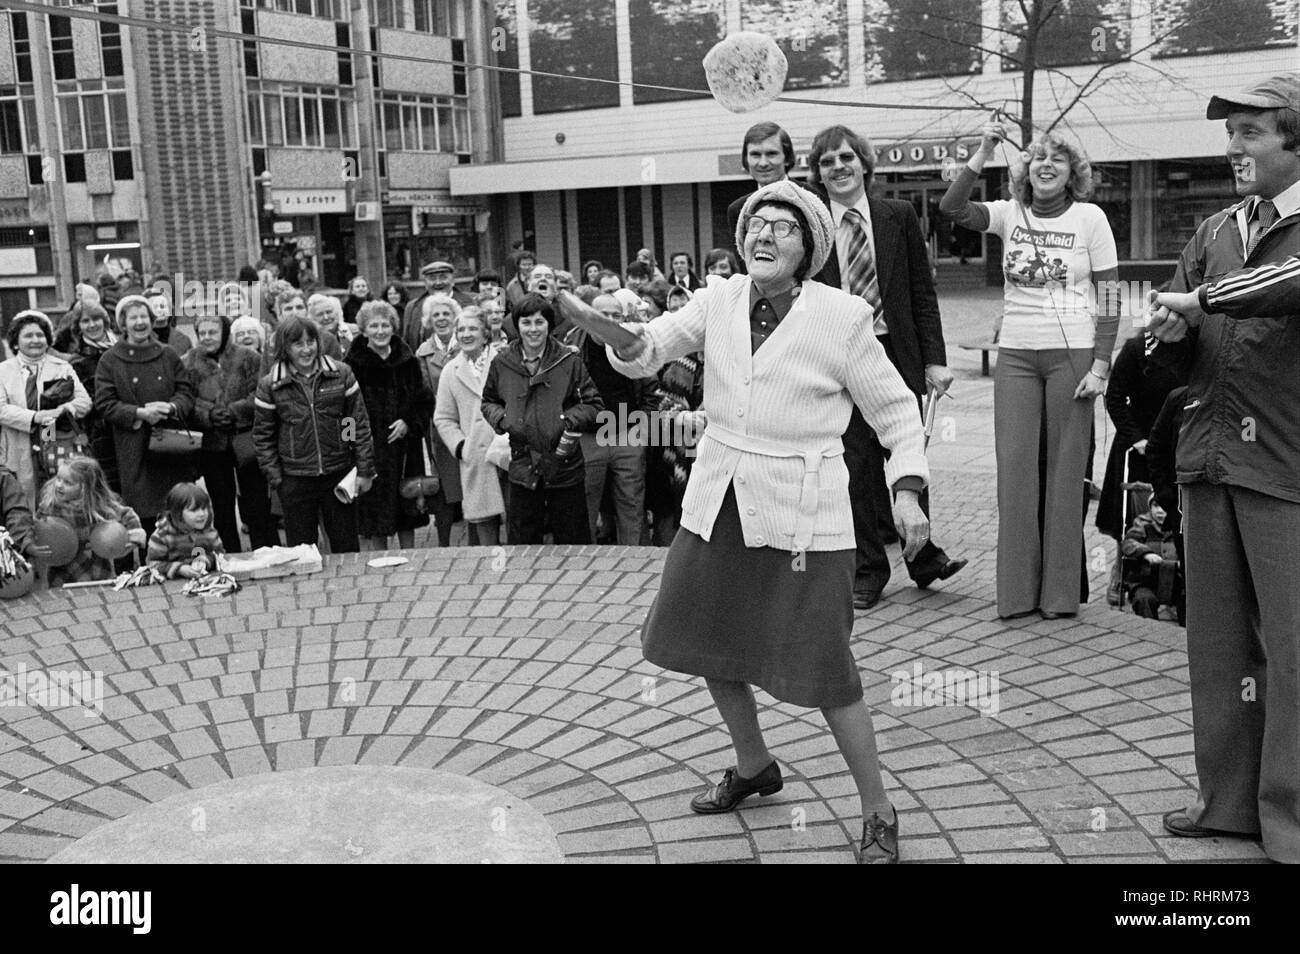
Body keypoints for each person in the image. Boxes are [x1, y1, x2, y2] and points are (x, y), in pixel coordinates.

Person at [587, 179, 930, 863]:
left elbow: (896, 412)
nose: (764, 234)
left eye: (783, 226)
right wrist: (614, 336)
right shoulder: (717, 297)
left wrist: (909, 489)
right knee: (706, 640)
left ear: (809, 247)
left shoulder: (843, 317)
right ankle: (754, 766)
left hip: (806, 515)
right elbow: (650, 346)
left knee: (829, 671)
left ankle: (879, 810)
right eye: (756, 224)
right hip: (719, 502)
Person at [1143, 73, 1300, 863]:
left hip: (1285, 464)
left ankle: (1291, 824)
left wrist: (1202, 300)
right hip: (1209, 458)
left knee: (1294, 649)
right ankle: (1229, 803)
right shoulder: (1216, 228)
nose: (1231, 147)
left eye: (1249, 132)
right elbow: (1180, 313)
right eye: (1228, 132)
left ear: (1293, 137)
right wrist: (1162, 337)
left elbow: (1277, 286)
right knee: (1219, 647)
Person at [940, 121, 1119, 619]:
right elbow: (951, 208)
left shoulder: (1090, 219)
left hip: (1074, 355)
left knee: (1066, 477)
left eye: (1057, 159)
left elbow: (1108, 295)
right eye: (1037, 157)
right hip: (1016, 355)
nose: (1046, 164)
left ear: (1071, 173)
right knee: (1015, 474)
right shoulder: (1008, 214)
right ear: (1025, 169)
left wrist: (1101, 365)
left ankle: (1059, 597)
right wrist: (982, 152)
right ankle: (1016, 595)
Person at [811, 125, 967, 609]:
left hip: (895, 354)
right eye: (827, 161)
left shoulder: (897, 216)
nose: (838, 167)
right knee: (855, 467)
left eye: (846, 158)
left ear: (864, 164)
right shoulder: (813, 225)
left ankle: (923, 559)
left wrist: (935, 359)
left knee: (906, 457)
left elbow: (922, 293)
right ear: (818, 173)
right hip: (839, 362)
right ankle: (869, 570)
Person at [481, 294, 602, 544]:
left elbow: (593, 405)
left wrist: (565, 421)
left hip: (564, 466)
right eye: (526, 322)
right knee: (523, 547)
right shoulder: (502, 362)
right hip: (522, 467)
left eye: (539, 322)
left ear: (549, 324)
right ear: (517, 326)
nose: (533, 329)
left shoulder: (569, 360)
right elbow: (488, 401)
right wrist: (504, 419)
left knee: (573, 545)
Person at [252, 315, 376, 553]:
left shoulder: (340, 374)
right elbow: (263, 436)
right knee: (302, 553)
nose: (307, 349)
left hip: (337, 474)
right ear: (285, 348)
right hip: (295, 478)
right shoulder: (271, 385)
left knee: (346, 548)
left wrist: (358, 464)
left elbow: (353, 421)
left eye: (311, 342)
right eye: (298, 343)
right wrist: (277, 478)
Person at [93, 296, 198, 537]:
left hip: (171, 447)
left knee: (178, 513)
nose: (140, 323)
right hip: (134, 450)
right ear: (123, 323)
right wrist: (140, 413)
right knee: (146, 518)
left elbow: (186, 392)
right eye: (133, 317)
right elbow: (104, 403)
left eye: (144, 317)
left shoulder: (168, 354)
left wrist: (171, 408)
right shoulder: (110, 360)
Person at [1094, 329, 1186, 601]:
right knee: (1129, 513)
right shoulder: (1137, 348)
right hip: (1139, 444)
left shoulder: (1191, 346)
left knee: (1172, 513)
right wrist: (1136, 439)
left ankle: (1177, 575)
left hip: (1174, 443)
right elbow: (1115, 397)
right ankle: (1122, 568)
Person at [346, 302, 433, 551]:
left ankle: (410, 558)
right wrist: (351, 444)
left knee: (407, 506)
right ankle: (380, 559)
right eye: (374, 325)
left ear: (393, 327)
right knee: (374, 511)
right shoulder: (352, 364)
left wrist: (409, 423)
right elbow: (344, 412)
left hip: (404, 449)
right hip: (370, 451)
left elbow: (425, 401)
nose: (380, 330)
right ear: (363, 330)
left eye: (385, 325)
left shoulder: (408, 360)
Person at [183, 314, 272, 552]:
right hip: (212, 443)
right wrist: (208, 414)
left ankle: (263, 551)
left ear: (224, 333)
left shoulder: (249, 357)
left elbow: (263, 392)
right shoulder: (189, 362)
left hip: (245, 439)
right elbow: (186, 399)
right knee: (221, 504)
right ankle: (229, 555)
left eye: (213, 332)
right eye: (202, 333)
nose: (207, 337)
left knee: (256, 501)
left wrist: (235, 410)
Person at [567, 294, 647, 545]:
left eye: (616, 316)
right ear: (590, 316)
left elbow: (650, 388)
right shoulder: (572, 346)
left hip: (627, 433)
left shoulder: (632, 345)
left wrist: (643, 428)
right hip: (589, 437)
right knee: (585, 504)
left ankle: (634, 562)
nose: (610, 321)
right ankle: (586, 564)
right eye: (604, 315)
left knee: (632, 503)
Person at [0, 310, 93, 508]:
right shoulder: (3, 372)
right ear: (16, 342)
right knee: (21, 498)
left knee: (53, 494)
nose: (35, 340)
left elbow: (84, 401)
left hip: (52, 438)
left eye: (40, 335)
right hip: (17, 442)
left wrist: (64, 409)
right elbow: (1, 409)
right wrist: (36, 416)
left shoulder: (62, 367)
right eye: (28, 335)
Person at [434, 309, 507, 545]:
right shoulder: (450, 371)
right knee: (486, 535)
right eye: (461, 330)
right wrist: (461, 447)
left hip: (508, 455)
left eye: (473, 329)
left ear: (486, 334)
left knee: (517, 527)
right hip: (476, 458)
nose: (466, 334)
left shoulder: (505, 363)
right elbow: (443, 418)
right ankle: (494, 576)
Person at [34, 456, 146, 587]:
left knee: (100, 599)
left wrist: (134, 537)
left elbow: (127, 514)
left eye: (68, 483)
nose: (59, 485)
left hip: (98, 567)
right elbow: (37, 528)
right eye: (58, 479)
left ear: (86, 487)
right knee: (67, 602)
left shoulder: (99, 505)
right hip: (63, 571)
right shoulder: (51, 506)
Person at [414, 295, 464, 547]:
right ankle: (443, 543)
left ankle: (477, 540)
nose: (442, 319)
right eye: (436, 315)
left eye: (446, 313)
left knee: (471, 481)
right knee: (444, 486)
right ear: (428, 321)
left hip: (468, 422)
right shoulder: (423, 353)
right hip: (438, 427)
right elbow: (423, 393)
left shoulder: (467, 344)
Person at [51, 302, 118, 489]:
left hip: (129, 429)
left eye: (96, 319)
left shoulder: (122, 350)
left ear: (105, 321)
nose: (92, 325)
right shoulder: (76, 363)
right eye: (85, 321)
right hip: (100, 436)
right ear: (78, 327)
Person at [726, 121, 801, 242]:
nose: (763, 163)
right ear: (746, 160)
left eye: (771, 154)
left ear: (787, 158)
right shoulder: (738, 210)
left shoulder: (813, 196)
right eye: (755, 154)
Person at [1119, 498, 1182, 622]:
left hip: (1177, 582)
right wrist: (1145, 553)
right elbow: (1128, 542)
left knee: (1188, 601)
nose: (1160, 511)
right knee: (1144, 600)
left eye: (1164, 507)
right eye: (1155, 506)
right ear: (1150, 507)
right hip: (1146, 581)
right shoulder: (1142, 524)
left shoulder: (1179, 525)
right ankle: (1149, 633)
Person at [146, 482, 225, 579]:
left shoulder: (209, 532)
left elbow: (220, 555)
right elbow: (152, 564)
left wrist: (205, 560)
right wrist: (179, 569)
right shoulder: (162, 536)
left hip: (203, 582)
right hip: (169, 588)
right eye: (194, 510)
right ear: (177, 513)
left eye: (204, 508)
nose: (202, 514)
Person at [143, 285, 192, 357]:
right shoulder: (140, 339)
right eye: (154, 307)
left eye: (163, 306)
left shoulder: (183, 339)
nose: (160, 310)